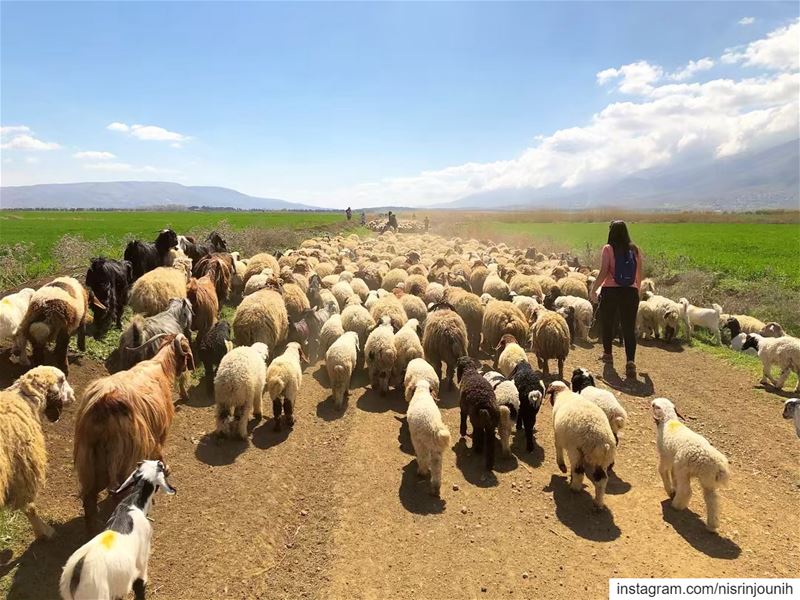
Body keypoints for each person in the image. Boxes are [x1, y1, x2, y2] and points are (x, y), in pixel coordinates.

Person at [589, 220, 642, 379]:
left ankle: (607, 354)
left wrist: (594, 289)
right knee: (628, 328)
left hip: (611, 291)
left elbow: (604, 272)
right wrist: (636, 291)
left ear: (611, 232)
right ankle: (630, 362)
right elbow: (639, 274)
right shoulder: (635, 249)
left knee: (608, 323)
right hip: (630, 293)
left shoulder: (608, 248)